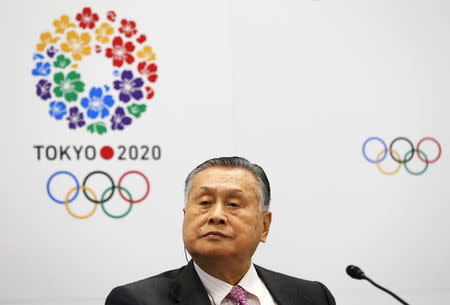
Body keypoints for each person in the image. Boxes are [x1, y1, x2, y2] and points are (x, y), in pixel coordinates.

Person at [105, 157, 335, 305]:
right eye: (204, 202)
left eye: (233, 204)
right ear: (185, 217)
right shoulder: (137, 300)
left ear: (264, 226)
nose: (216, 215)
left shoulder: (313, 297)